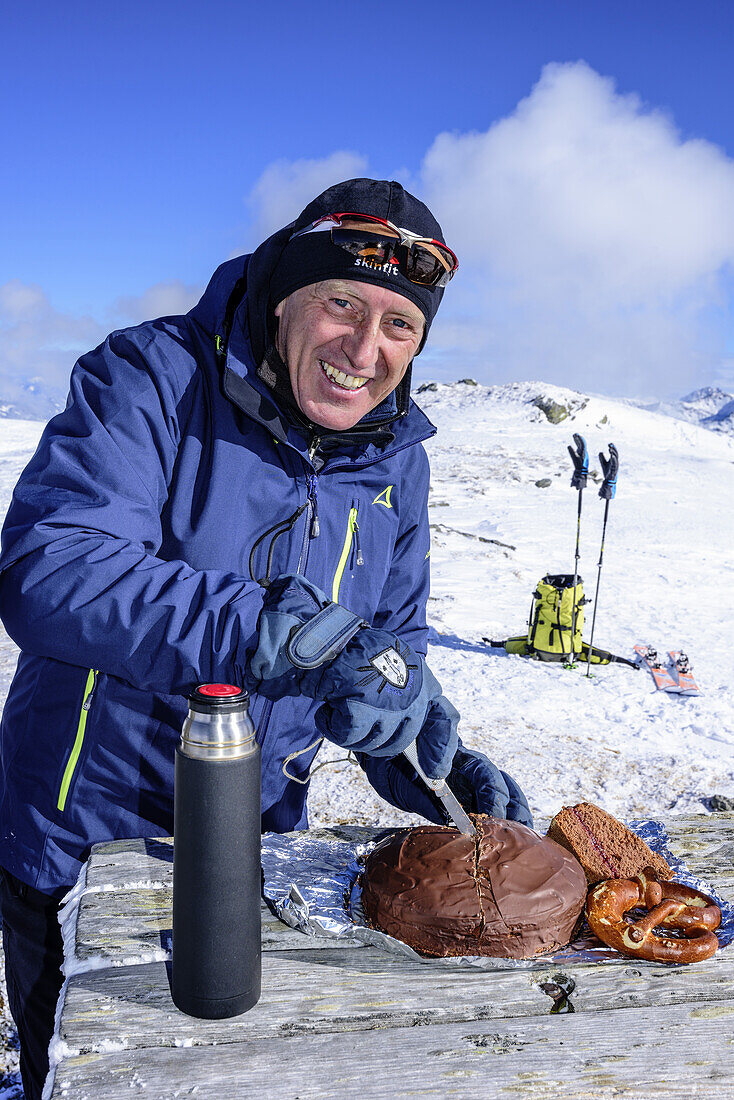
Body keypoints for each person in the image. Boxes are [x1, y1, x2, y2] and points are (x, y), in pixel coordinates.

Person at [0, 177, 531, 1097]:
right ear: (284, 291)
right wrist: (286, 635)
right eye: (340, 304)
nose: (365, 350)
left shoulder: (397, 463)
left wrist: (408, 751)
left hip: (254, 850)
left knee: (223, 1072)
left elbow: (389, 642)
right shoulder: (152, 377)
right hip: (80, 843)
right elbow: (52, 571)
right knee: (86, 1074)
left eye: (400, 326)